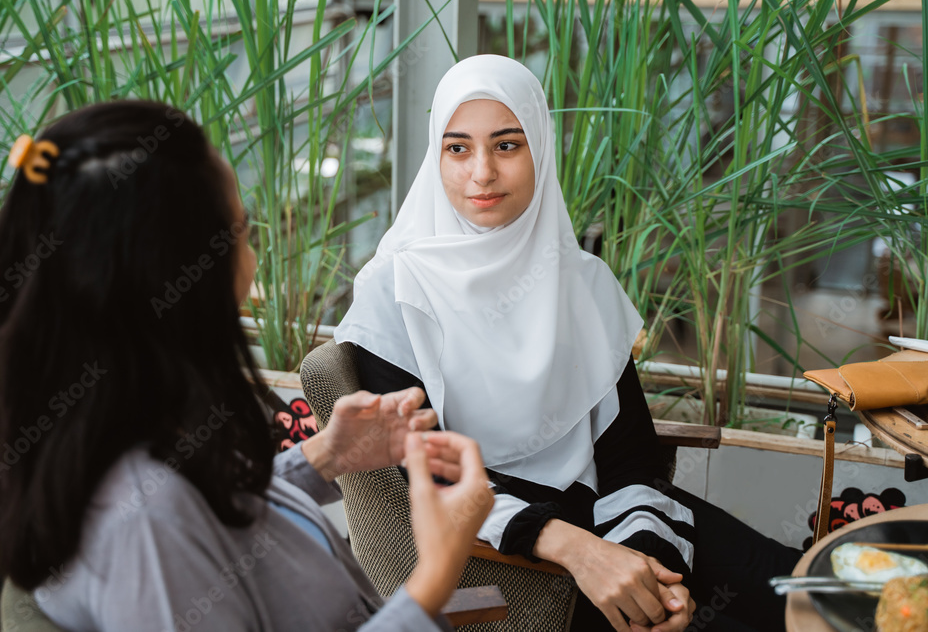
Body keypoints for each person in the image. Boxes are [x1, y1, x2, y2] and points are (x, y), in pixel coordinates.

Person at [0, 100, 494, 631]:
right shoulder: (145, 526)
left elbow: (207, 511)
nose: (252, 254)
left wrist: (323, 457)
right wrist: (435, 574)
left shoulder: (113, 422)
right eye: (238, 232)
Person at [335, 54, 802, 632]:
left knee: (802, 591)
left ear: (541, 150)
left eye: (507, 145)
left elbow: (629, 454)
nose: (481, 172)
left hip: (619, 514)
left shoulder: (580, 280)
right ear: (437, 156)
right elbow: (427, 473)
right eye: (458, 148)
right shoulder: (394, 289)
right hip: (509, 549)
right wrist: (582, 551)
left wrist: (650, 563)